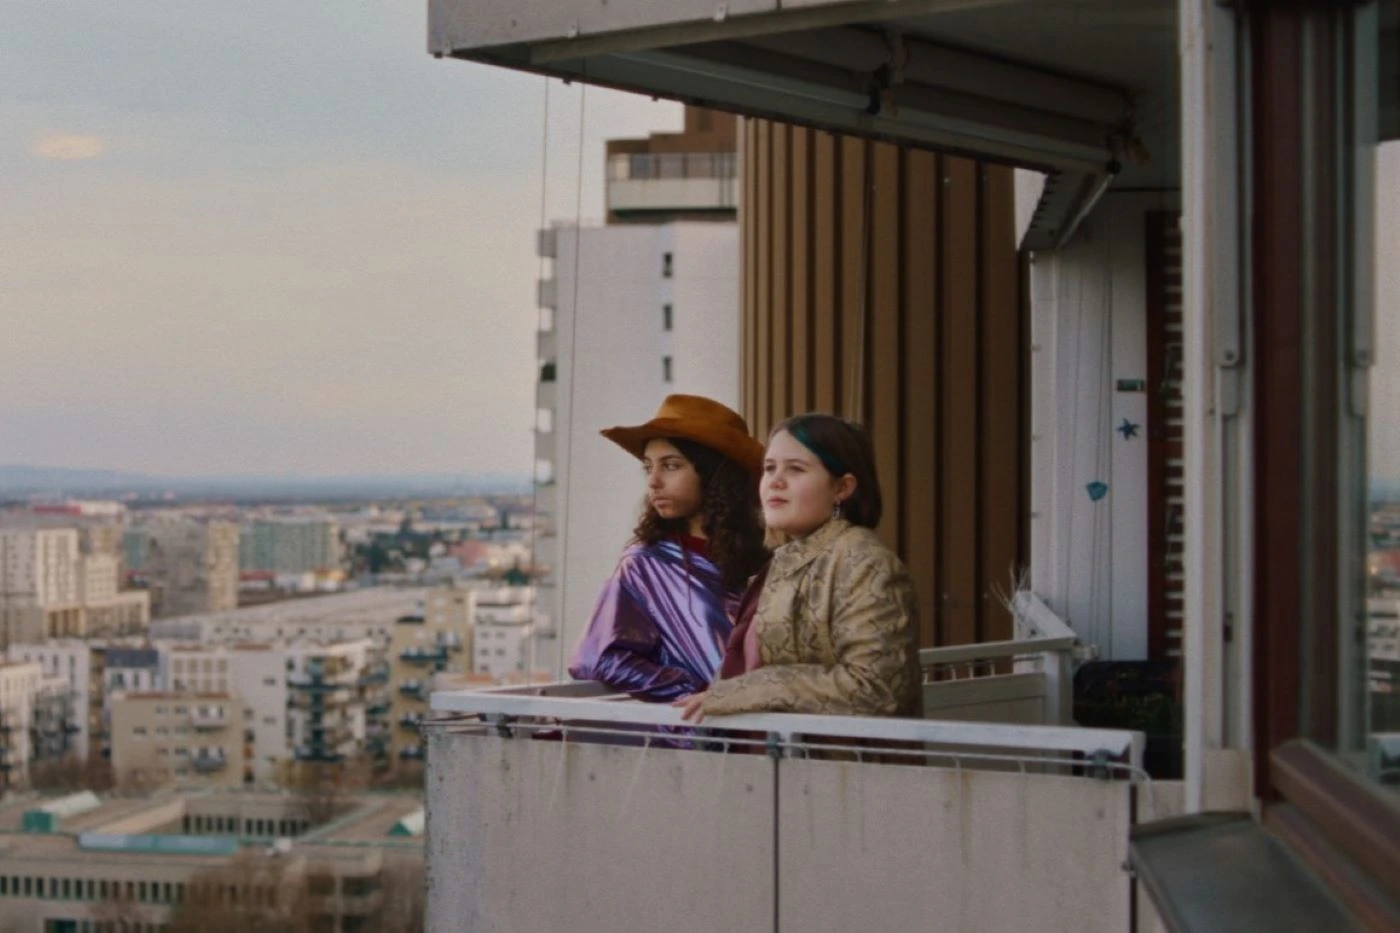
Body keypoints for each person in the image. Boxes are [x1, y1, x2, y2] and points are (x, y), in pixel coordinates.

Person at [674, 414, 921, 721]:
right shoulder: (782, 560)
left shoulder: (865, 564)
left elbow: (875, 689)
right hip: (773, 761)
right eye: (769, 468)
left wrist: (753, 690)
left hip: (841, 765)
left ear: (842, 487)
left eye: (796, 469)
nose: (776, 481)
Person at [569, 394, 769, 702]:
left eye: (671, 466)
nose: (654, 482)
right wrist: (695, 691)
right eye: (648, 468)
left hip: (768, 733)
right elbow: (598, 657)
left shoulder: (768, 560)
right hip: (694, 737)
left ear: (715, 473)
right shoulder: (644, 564)